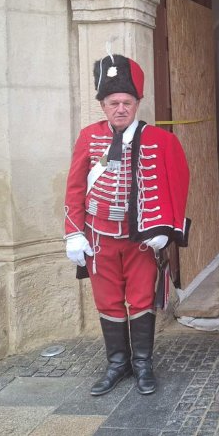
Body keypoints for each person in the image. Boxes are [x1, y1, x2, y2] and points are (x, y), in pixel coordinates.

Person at [64, 54, 190, 396]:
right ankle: (117, 364)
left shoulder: (161, 140)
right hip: (99, 237)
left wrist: (166, 228)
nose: (121, 108)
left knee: (140, 299)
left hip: (140, 239)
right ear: (103, 105)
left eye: (127, 102)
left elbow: (177, 184)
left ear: (137, 103)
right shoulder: (89, 137)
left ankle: (144, 364)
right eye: (113, 102)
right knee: (107, 301)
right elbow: (75, 186)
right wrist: (73, 232)